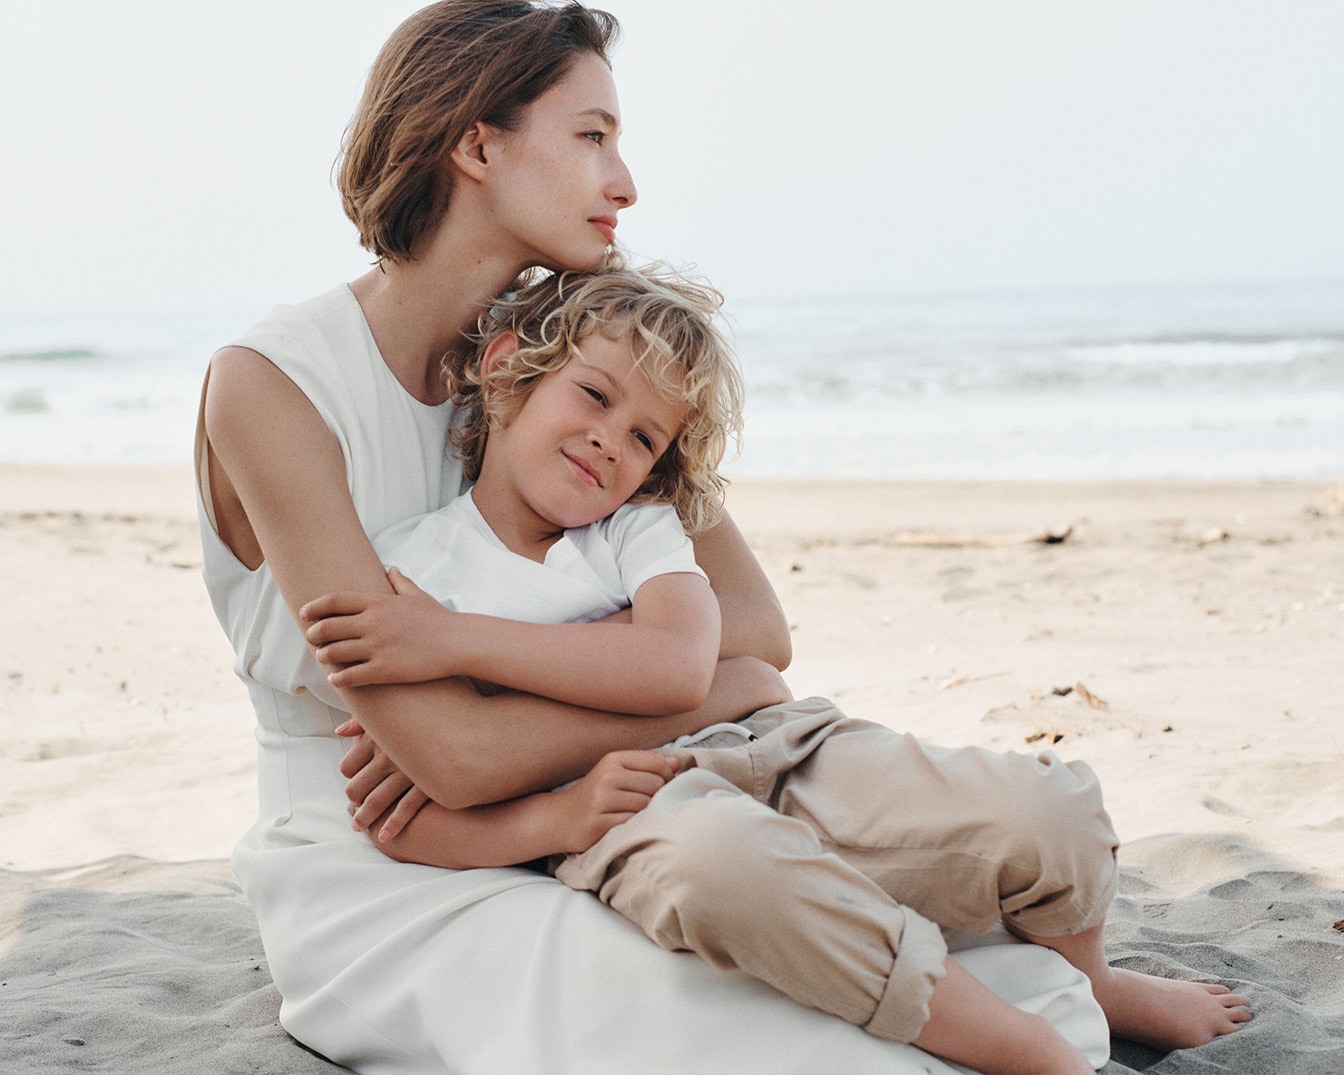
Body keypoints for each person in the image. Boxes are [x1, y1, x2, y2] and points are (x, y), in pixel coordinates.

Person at [195, 3, 1246, 1072]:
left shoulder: (573, 344)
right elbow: (456, 759)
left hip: (617, 782)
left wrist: (711, 676)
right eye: (592, 135)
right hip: (395, 855)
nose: (625, 181)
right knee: (760, 1013)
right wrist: (718, 687)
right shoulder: (275, 388)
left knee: (960, 845)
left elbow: (757, 625)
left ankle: (1085, 983)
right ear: (477, 144)